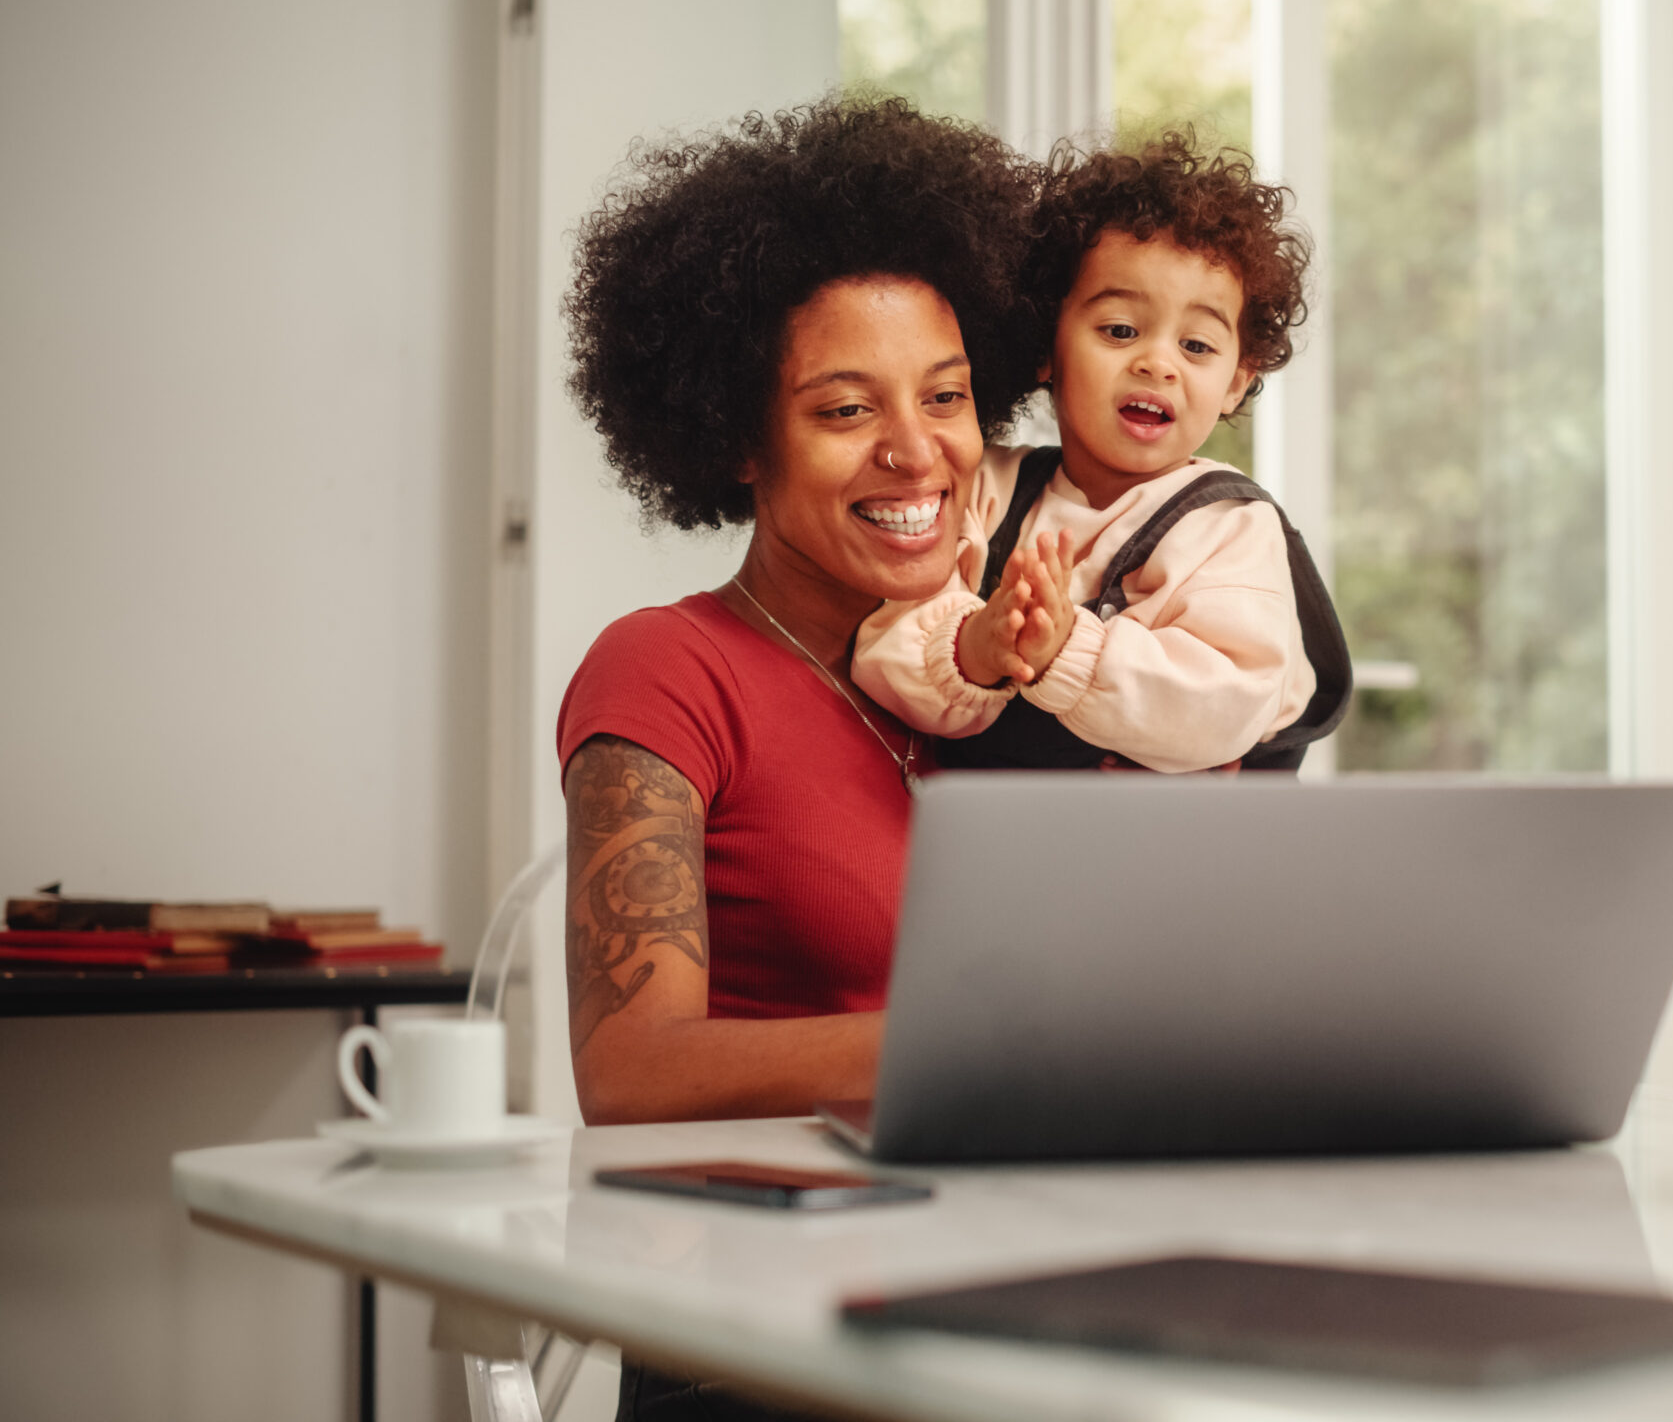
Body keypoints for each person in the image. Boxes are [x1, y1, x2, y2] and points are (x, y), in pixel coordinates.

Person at [554, 95, 1042, 1130]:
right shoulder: (668, 669)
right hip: (758, 1254)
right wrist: (1008, 1039)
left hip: (1002, 1226)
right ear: (736, 437)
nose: (916, 452)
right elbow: (629, 1072)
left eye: (945, 397)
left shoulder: (1012, 661)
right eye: (845, 409)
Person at [851, 131, 1350, 772]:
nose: (1158, 363)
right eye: (1120, 330)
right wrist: (976, 647)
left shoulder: (1229, 527)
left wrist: (1067, 651)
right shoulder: (987, 489)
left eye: (1196, 346)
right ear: (1043, 347)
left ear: (1235, 381)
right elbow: (886, 639)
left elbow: (1225, 704)